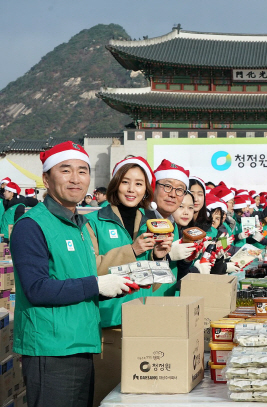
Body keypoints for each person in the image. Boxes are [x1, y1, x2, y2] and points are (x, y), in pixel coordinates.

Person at [11, 141, 134, 407]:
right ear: (46, 178)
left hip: (81, 343)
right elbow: (37, 288)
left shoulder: (78, 225)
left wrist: (115, 285)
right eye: (65, 170)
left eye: (83, 171)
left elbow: (75, 278)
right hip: (52, 349)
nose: (76, 179)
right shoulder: (32, 225)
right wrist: (96, 284)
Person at [85, 156, 171, 406]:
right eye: (125, 182)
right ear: (115, 185)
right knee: (106, 397)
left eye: (139, 184)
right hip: (108, 325)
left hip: (145, 324)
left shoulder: (152, 223)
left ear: (146, 189)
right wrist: (131, 250)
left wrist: (159, 257)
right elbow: (93, 270)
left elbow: (155, 283)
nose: (132, 189)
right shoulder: (93, 221)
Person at [146, 159, 193, 296]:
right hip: (142, 306)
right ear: (153, 187)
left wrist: (185, 261)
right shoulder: (142, 222)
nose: (173, 194)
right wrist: (168, 257)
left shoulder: (173, 226)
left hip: (167, 301)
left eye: (180, 190)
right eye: (167, 186)